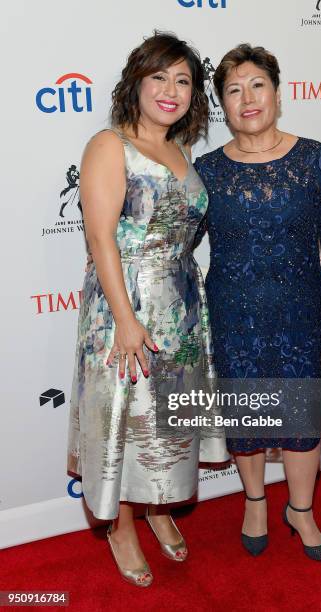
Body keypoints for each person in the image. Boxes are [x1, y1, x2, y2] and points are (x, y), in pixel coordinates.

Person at [67, 31, 228, 587]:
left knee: (167, 419)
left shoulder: (180, 151)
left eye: (183, 80)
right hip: (126, 304)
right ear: (135, 82)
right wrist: (127, 321)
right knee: (126, 420)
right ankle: (121, 527)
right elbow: (102, 239)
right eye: (159, 76)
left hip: (180, 306)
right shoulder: (109, 145)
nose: (171, 89)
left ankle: (161, 506)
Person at [194, 44, 321, 563]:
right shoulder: (206, 170)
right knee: (248, 416)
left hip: (303, 311)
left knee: (301, 416)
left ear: (277, 92)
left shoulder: (313, 157)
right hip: (233, 312)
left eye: (256, 85)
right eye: (234, 90)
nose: (247, 98)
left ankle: (302, 511)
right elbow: (175, 239)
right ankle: (256, 501)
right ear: (222, 103)